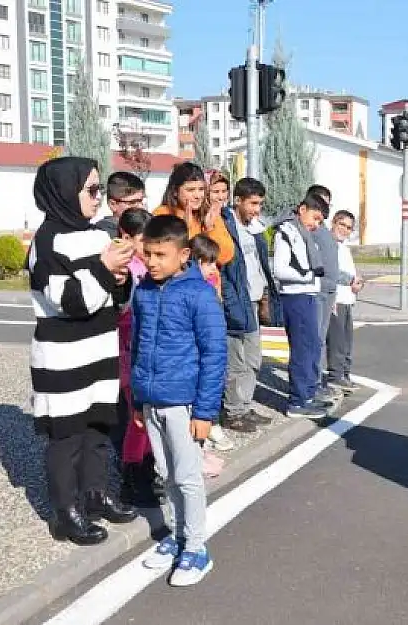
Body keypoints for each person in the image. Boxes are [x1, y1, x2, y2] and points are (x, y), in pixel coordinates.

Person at [27, 156, 139, 546]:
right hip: (63, 357)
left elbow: (114, 297)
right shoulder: (45, 244)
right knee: (67, 437)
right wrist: (107, 269)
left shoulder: (96, 235)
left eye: (100, 190)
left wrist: (121, 277)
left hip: (99, 350)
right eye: (91, 190)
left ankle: (95, 495)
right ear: (63, 193)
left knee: (97, 429)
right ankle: (65, 511)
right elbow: (70, 301)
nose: (98, 198)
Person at [130, 214, 227, 587]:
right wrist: (138, 399)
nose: (152, 262)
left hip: (184, 404)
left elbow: (214, 353)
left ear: (183, 254)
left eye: (160, 255)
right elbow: (137, 346)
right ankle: (177, 535)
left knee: (188, 477)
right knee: (166, 474)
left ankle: (197, 548)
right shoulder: (145, 290)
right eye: (148, 254)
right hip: (152, 400)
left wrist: (205, 411)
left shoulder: (198, 293)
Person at [220, 177, 278, 432]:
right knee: (237, 361)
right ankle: (233, 412)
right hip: (236, 302)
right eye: (252, 203)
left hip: (254, 301)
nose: (256, 209)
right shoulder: (226, 226)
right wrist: (231, 302)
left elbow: (260, 264)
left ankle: (244, 404)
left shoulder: (255, 227)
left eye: (260, 204)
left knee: (253, 359)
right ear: (238, 201)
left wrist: (266, 292)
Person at [272, 191, 336, 419]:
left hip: (308, 295)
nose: (316, 225)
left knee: (312, 347)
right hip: (296, 297)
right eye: (315, 219)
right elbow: (279, 269)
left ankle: (308, 393)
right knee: (302, 350)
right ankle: (298, 401)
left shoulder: (304, 234)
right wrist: (308, 276)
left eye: (320, 221)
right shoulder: (286, 232)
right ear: (302, 210)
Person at [113, 208, 160, 507]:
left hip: (149, 355)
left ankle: (147, 470)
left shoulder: (146, 267)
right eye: (144, 241)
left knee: (150, 419)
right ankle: (131, 478)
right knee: (137, 420)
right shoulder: (125, 272)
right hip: (129, 356)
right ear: (126, 238)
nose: (149, 249)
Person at [154, 162, 235, 266]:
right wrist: (184, 231)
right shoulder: (162, 215)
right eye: (190, 190)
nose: (197, 195)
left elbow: (225, 256)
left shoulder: (208, 214)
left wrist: (210, 229)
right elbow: (167, 258)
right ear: (175, 191)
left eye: (201, 189)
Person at [326, 210, 364, 392]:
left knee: (346, 340)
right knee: (337, 341)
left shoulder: (344, 248)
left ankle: (344, 373)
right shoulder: (329, 245)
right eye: (342, 225)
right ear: (334, 222)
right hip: (336, 299)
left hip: (347, 299)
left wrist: (357, 283)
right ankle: (336, 375)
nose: (345, 230)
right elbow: (330, 273)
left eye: (349, 228)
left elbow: (350, 273)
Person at [309, 185, 341, 395]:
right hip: (317, 290)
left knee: (320, 339)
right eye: (321, 200)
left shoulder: (324, 230)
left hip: (329, 289)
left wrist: (345, 281)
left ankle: (317, 381)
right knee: (315, 339)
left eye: (327, 202)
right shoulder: (310, 229)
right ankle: (312, 384)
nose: (325, 205)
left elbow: (332, 263)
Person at [95, 172, 146, 239]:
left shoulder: (144, 227)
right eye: (132, 202)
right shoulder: (104, 234)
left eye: (141, 201)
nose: (140, 207)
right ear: (113, 204)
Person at [189, 234, 223, 301]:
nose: (214, 268)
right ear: (196, 263)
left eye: (215, 263)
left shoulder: (213, 280)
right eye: (209, 264)